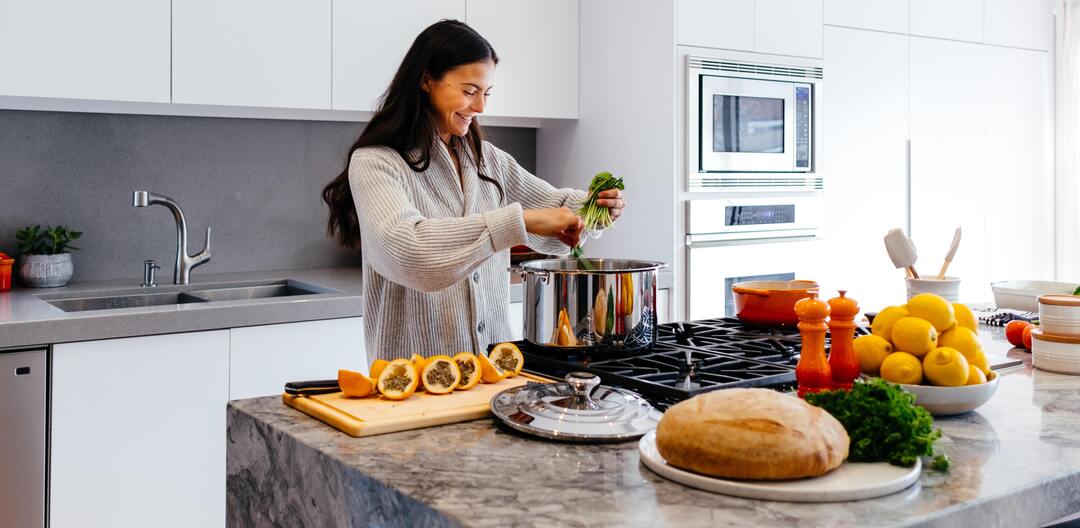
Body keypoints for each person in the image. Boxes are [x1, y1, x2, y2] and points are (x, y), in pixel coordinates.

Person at [322, 20, 625, 362]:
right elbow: (408, 251)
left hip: (497, 371)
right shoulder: (377, 162)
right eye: (469, 91)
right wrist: (517, 222)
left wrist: (595, 208)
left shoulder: (488, 160)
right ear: (425, 80)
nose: (480, 107)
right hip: (414, 380)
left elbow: (554, 208)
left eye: (486, 93)